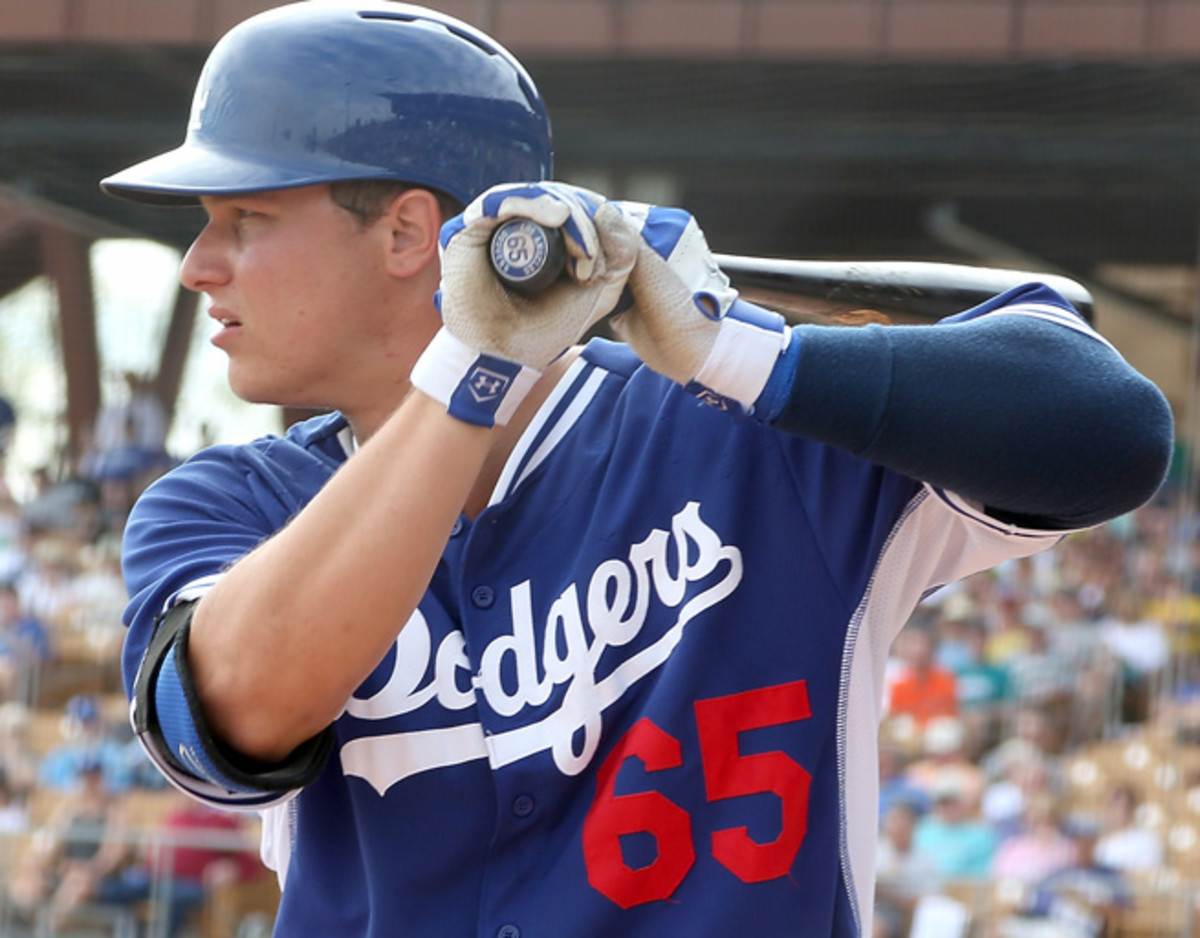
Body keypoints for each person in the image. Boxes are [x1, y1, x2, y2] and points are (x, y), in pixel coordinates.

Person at [101, 3, 1173, 937]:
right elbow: (234, 710)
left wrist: (735, 350)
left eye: (245, 220)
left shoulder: (742, 424)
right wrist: (474, 369)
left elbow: (1109, 432)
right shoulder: (225, 504)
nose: (199, 265)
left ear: (406, 233)